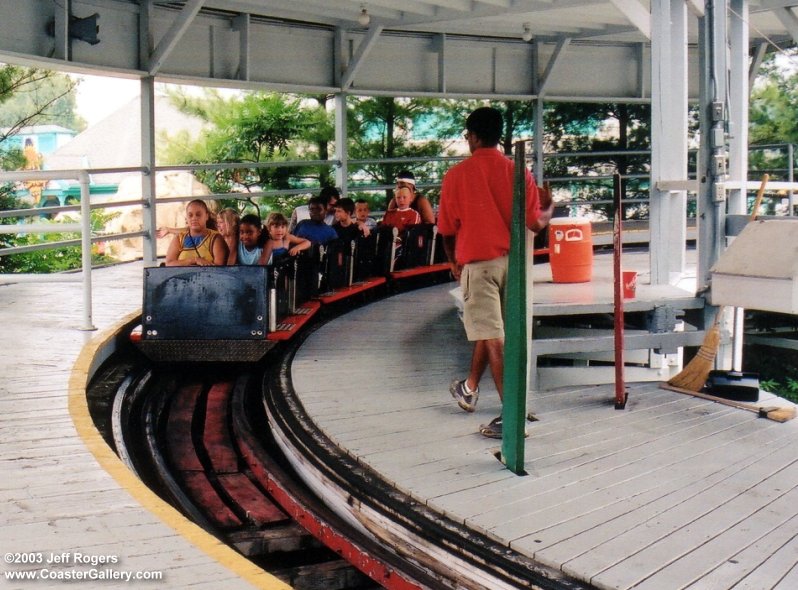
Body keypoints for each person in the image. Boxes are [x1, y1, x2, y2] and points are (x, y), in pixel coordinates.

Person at [437, 107, 553, 439]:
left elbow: (446, 229)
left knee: (493, 337)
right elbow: (535, 223)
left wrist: (452, 262)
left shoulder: (457, 176)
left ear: (472, 136)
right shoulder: (518, 172)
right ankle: (469, 388)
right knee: (494, 331)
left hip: (479, 265)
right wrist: (548, 207)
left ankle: (511, 416)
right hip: (514, 266)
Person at [165, 199, 228, 266]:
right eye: (190, 215)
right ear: (186, 218)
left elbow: (219, 270)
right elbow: (169, 264)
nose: (194, 218)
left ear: (206, 216)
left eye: (198, 215)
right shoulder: (179, 238)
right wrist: (194, 260)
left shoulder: (216, 239)